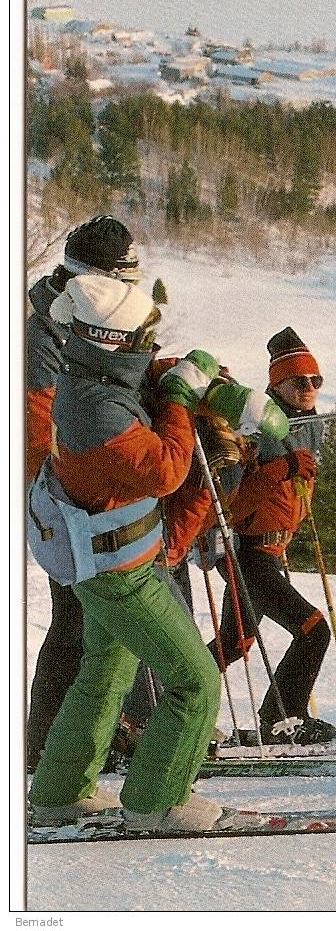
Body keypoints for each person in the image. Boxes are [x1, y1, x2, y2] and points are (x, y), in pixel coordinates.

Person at [28, 275, 226, 831]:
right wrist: (182, 402)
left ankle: (59, 790)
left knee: (105, 672)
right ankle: (157, 801)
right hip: (122, 572)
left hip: (105, 563)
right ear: (112, 339)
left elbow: (143, 379)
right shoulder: (97, 412)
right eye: (143, 336)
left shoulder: (90, 376)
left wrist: (184, 376)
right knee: (195, 679)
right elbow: (165, 470)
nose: (150, 343)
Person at [26, 216, 148, 771]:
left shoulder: (70, 315)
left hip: (79, 488)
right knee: (79, 621)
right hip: (68, 494)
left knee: (84, 622)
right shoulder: (53, 328)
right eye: (125, 276)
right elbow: (43, 417)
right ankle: (48, 746)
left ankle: (67, 737)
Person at [203, 327, 336, 746]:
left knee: (235, 641)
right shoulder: (254, 430)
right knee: (314, 629)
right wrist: (283, 470)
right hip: (245, 552)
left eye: (316, 381)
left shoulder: (305, 427)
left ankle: (156, 711)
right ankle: (284, 717)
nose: (309, 388)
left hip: (270, 550)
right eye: (299, 382)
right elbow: (229, 505)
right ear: (275, 384)